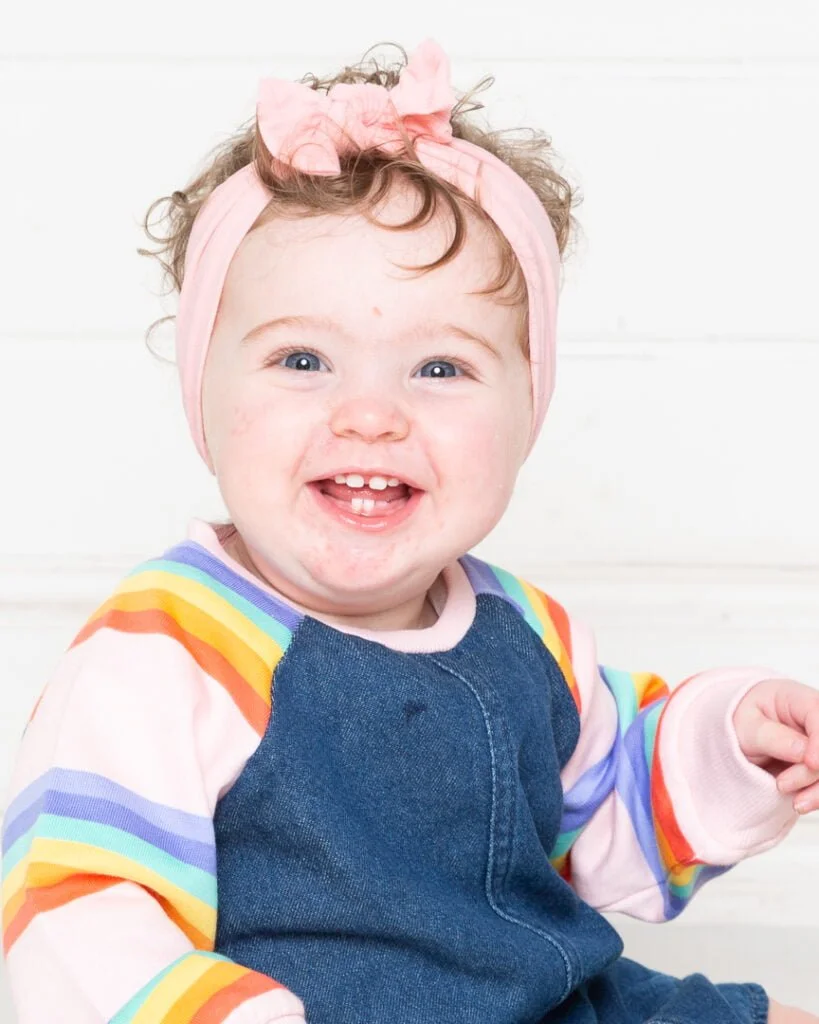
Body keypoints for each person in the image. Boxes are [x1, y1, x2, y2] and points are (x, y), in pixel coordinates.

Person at [1, 37, 817, 1024]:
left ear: (529, 414)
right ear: (203, 399)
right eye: (302, 360)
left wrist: (731, 745)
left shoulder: (522, 628)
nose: (370, 413)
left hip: (557, 1000)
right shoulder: (165, 652)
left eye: (440, 369)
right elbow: (80, 915)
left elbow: (603, 821)